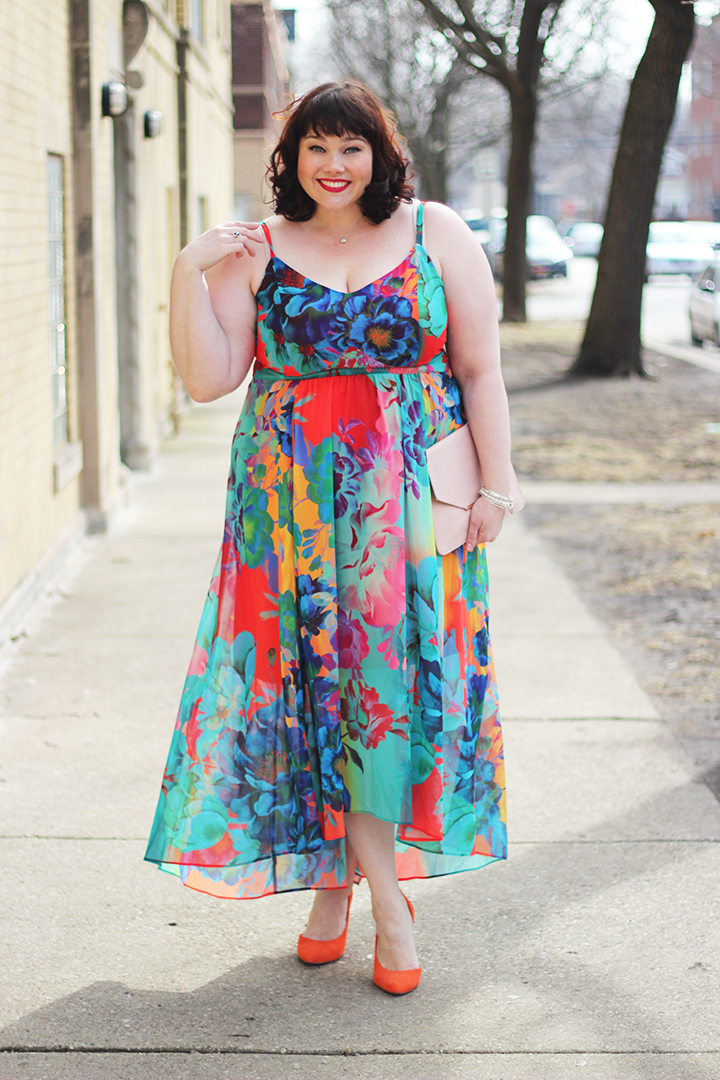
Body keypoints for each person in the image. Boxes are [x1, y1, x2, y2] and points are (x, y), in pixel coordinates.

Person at [145, 80, 512, 996]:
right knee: (310, 689)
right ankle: (362, 893)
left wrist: (498, 486)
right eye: (316, 148)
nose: (334, 165)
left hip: (408, 501)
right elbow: (207, 377)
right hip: (288, 507)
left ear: (380, 155)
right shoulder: (256, 249)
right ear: (292, 159)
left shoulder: (437, 232)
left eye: (352, 148)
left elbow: (479, 366)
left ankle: (363, 894)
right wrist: (184, 272)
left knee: (386, 688)